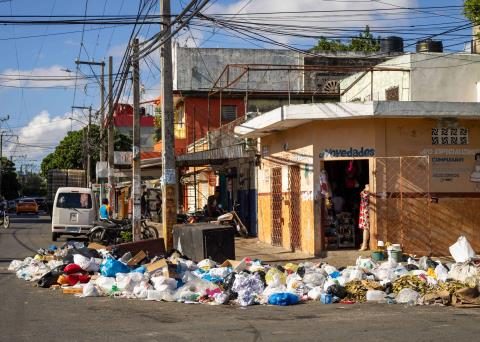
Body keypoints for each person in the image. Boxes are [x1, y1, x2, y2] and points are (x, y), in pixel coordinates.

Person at [358, 184, 371, 251]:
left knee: (366, 228)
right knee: (365, 228)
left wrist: (367, 189)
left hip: (366, 212)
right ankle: (364, 244)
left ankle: (364, 244)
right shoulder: (365, 193)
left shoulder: (366, 192)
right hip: (365, 211)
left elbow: (365, 197)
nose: (365, 186)